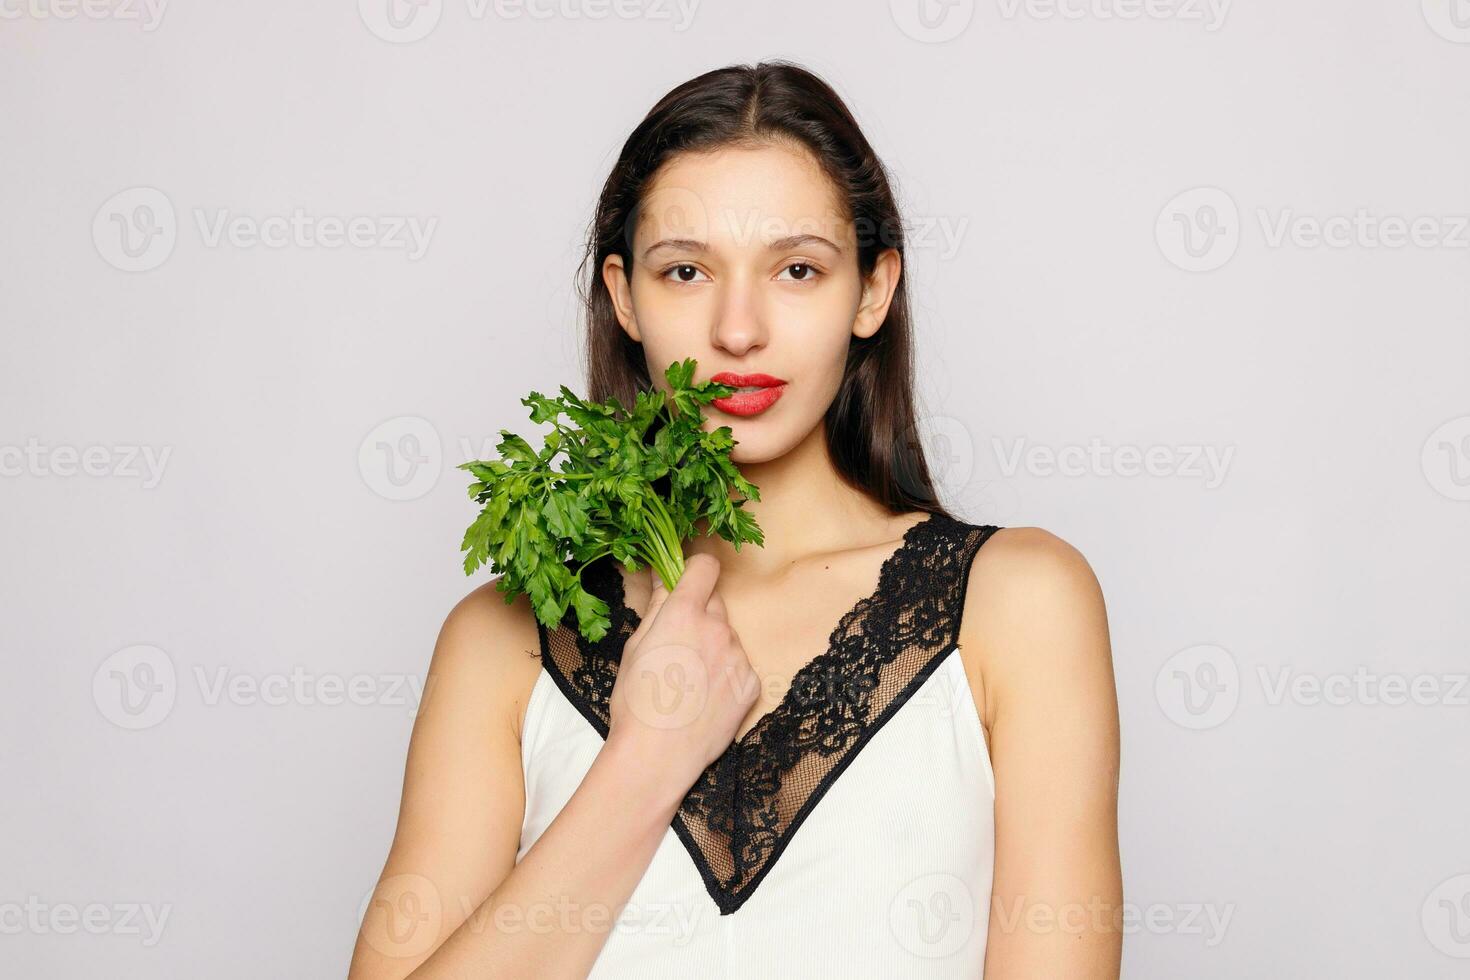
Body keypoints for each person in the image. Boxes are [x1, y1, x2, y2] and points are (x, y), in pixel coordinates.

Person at [349, 59, 1122, 979]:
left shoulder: (1017, 605)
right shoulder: (499, 641)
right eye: (685, 271)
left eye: (798, 268)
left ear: (872, 291)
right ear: (625, 296)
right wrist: (643, 762)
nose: (740, 330)